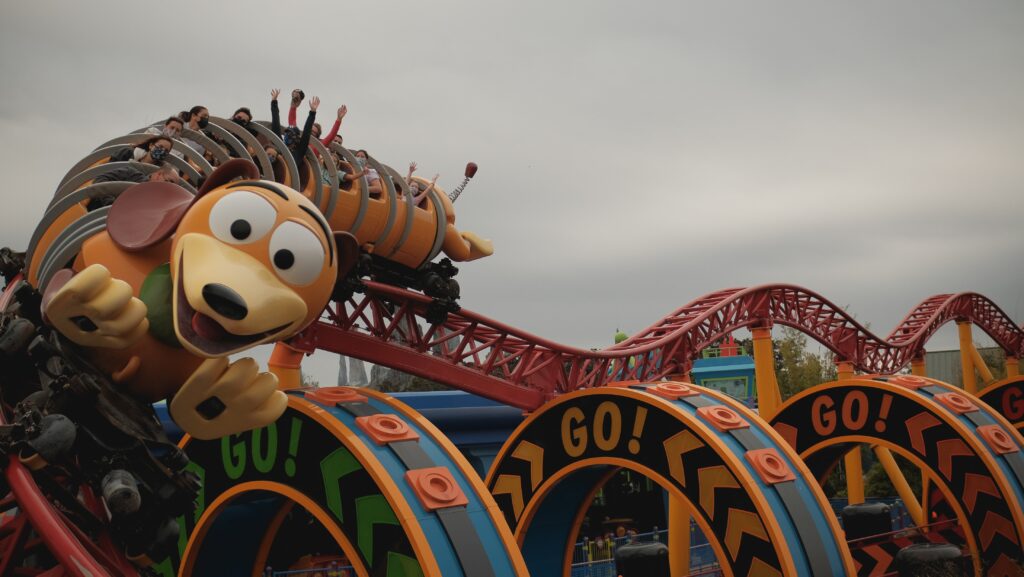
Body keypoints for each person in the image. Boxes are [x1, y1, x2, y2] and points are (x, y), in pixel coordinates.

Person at [270, 88, 319, 184]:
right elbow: (275, 122)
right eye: (288, 133)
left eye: (293, 135)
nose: (290, 136)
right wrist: (274, 102)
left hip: (286, 183)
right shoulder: (279, 144)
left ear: (297, 138)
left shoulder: (299, 152)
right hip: (270, 176)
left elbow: (307, 132)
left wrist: (312, 112)